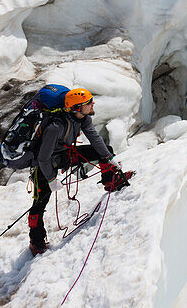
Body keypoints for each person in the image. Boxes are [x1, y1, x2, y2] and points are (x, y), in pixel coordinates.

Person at [28, 87, 129, 255]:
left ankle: (110, 180)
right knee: (40, 201)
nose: (92, 104)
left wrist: (109, 158)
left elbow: (95, 140)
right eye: (88, 103)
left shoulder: (84, 119)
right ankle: (36, 240)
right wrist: (52, 179)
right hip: (45, 166)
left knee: (104, 149)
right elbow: (43, 158)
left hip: (64, 156)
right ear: (77, 108)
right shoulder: (55, 127)